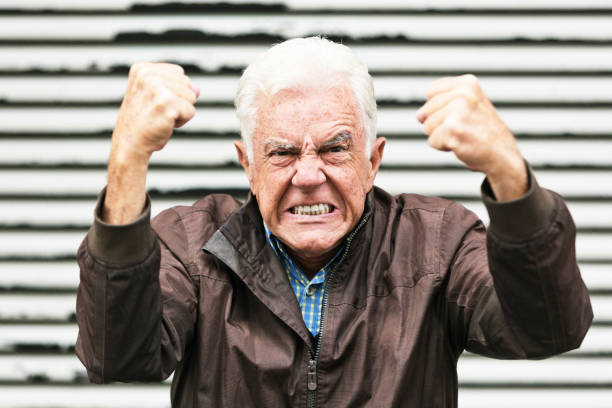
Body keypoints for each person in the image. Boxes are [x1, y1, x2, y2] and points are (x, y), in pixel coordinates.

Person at [75, 37, 592, 407]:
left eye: (335, 148)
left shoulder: (440, 242)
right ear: (247, 166)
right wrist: (128, 160)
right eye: (280, 153)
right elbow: (116, 355)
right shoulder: (191, 243)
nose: (307, 175)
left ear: (374, 161)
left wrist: (507, 172)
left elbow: (547, 329)